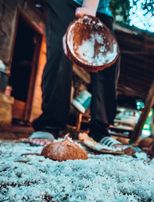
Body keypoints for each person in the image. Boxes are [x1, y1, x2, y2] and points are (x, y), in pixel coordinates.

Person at [29, 0, 120, 146]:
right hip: (64, 3)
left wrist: (90, 8)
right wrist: (87, 9)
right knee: (60, 51)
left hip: (100, 8)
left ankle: (100, 130)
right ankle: (50, 124)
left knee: (108, 62)